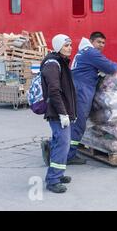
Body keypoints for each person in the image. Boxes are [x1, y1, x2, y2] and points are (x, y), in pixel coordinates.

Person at [67, 32, 117, 164]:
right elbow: (111, 67)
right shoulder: (91, 52)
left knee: (75, 122)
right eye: (98, 42)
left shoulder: (83, 51)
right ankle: (69, 155)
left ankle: (64, 149)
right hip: (81, 90)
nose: (101, 45)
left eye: (103, 43)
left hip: (77, 88)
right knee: (78, 123)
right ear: (91, 41)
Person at [40, 34, 77, 193]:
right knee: (63, 144)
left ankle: (58, 174)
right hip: (57, 112)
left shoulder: (60, 61)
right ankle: (53, 180)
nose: (69, 48)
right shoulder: (52, 64)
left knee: (59, 143)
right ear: (57, 46)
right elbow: (54, 91)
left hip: (62, 111)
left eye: (70, 45)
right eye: (66, 45)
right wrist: (63, 114)